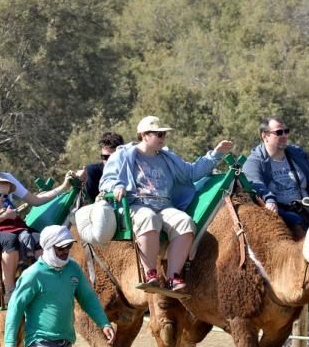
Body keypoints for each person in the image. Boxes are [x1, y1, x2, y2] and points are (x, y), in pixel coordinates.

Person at [99, 115, 233, 294]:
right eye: (158, 134)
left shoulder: (167, 157)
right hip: (136, 205)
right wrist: (118, 186)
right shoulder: (123, 155)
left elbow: (192, 172)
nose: (163, 137)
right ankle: (150, 273)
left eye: (164, 134)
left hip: (164, 206)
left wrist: (216, 154)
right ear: (144, 135)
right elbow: (106, 181)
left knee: (185, 222)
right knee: (148, 217)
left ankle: (173, 277)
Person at [243, 116, 309, 347]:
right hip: (276, 213)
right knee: (298, 234)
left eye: (286, 131)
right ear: (265, 136)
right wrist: (271, 200)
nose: (284, 136)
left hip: (304, 208)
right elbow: (256, 186)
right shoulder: (255, 161)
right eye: (278, 132)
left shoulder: (296, 154)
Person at [0, 141, 75, 302]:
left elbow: (35, 200)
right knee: (10, 240)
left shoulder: (6, 178)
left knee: (44, 240)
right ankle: (10, 291)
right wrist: (2, 217)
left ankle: (45, 282)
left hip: (14, 226)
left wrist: (63, 187)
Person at [84, 131, 124, 202]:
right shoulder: (92, 171)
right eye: (105, 157)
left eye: (113, 157)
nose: (109, 161)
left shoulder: (130, 170)